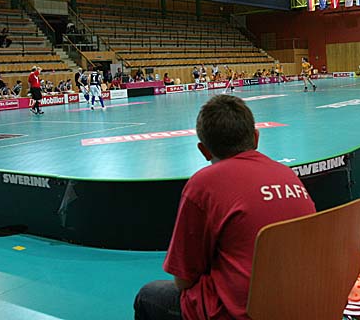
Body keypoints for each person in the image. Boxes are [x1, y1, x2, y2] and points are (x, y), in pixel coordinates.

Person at [134, 95, 316, 320]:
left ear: (204, 150)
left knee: (148, 296)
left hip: (244, 313)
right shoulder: (288, 175)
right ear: (256, 138)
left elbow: (183, 280)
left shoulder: (203, 185)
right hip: (304, 304)